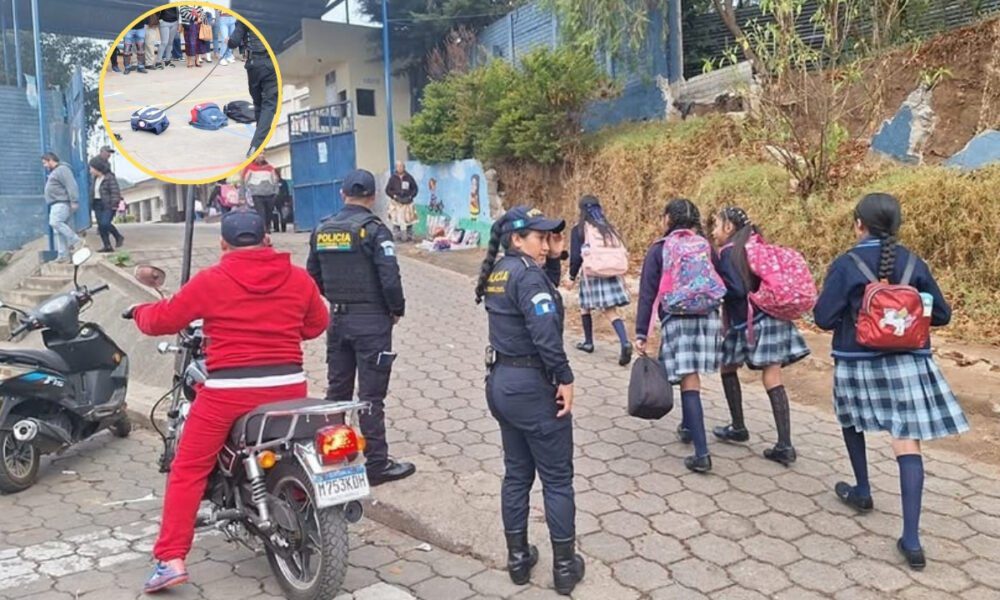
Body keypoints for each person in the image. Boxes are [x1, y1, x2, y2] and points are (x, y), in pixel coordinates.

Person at [129, 211, 328, 593]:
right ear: (267, 237)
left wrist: (139, 312)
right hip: (289, 387)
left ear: (223, 243)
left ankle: (170, 558)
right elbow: (316, 323)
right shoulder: (298, 278)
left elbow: (163, 319)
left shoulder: (211, 280)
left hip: (229, 391)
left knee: (188, 467)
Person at [814, 193, 968, 571]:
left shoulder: (847, 264)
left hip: (856, 361)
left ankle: (863, 490)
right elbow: (942, 314)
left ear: (859, 224)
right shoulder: (914, 262)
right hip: (908, 363)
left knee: (851, 419)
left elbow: (823, 317)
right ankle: (911, 540)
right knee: (906, 440)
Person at [474, 206, 585, 596]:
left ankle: (518, 560)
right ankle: (565, 568)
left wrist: (552, 257)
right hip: (532, 387)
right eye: (540, 237)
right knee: (557, 479)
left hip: (503, 384)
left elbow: (543, 297)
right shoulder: (526, 275)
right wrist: (565, 378)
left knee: (517, 474)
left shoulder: (502, 270)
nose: (546, 243)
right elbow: (545, 334)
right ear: (517, 239)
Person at [306, 169, 416, 487]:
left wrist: (337, 299)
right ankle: (377, 464)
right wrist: (395, 309)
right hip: (372, 322)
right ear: (373, 196)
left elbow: (313, 275)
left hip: (338, 320)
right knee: (370, 396)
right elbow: (389, 277)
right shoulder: (375, 231)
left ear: (343, 194)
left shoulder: (322, 229)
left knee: (337, 391)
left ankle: (334, 455)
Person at [710, 206, 810, 465]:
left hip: (748, 322)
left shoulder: (729, 252)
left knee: (728, 367)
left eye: (716, 225)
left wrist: (714, 286)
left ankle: (739, 426)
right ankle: (784, 443)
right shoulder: (756, 246)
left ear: (729, 227)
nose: (714, 231)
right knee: (770, 375)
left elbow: (736, 289)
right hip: (773, 317)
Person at [635, 198, 723, 473]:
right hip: (708, 317)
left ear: (668, 220)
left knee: (688, 379)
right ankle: (687, 427)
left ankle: (702, 454)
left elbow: (648, 293)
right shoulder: (705, 246)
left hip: (678, 318)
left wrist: (641, 332)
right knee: (690, 375)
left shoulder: (660, 248)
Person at [565, 195, 632, 366]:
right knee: (610, 310)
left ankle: (589, 342)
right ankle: (624, 341)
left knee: (585, 307)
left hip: (592, 274)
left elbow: (576, 258)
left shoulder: (579, 229)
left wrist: (571, 277)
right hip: (612, 272)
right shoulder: (608, 228)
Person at [228, 18, 278, 157]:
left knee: (259, 104)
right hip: (271, 63)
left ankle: (258, 144)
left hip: (254, 64)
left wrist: (228, 41)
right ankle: (257, 146)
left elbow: (234, 42)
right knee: (268, 105)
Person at [41, 152, 83, 263]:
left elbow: (71, 185)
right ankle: (63, 255)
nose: (44, 166)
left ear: (50, 160)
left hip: (61, 202)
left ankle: (76, 241)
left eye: (45, 163)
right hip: (56, 203)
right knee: (59, 231)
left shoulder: (62, 170)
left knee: (55, 222)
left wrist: (74, 200)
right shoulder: (56, 171)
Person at [88, 157, 125, 253]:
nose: (90, 170)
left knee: (105, 223)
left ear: (97, 168)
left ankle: (118, 236)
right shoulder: (95, 178)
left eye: (91, 168)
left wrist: (114, 204)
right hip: (97, 203)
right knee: (101, 226)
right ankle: (107, 245)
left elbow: (115, 191)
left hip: (108, 204)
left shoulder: (109, 178)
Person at [242, 154, 279, 233]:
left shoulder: (270, 167)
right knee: (261, 212)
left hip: (270, 193)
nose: (262, 156)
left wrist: (275, 192)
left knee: (269, 212)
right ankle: (263, 228)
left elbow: (275, 180)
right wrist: (248, 191)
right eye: (260, 154)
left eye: (263, 154)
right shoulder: (250, 167)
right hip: (257, 194)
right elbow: (245, 180)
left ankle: (267, 226)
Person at [384, 161, 419, 241]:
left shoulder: (409, 177)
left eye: (401, 166)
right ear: (396, 168)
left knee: (409, 220)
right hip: (396, 202)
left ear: (404, 167)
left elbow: (415, 189)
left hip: (407, 202)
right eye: (398, 166)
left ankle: (409, 236)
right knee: (396, 221)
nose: (400, 168)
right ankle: (397, 237)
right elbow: (387, 190)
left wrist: (411, 196)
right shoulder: (392, 178)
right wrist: (394, 196)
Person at [274, 168, 292, 233]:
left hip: (282, 200)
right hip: (274, 200)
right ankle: (276, 228)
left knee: (283, 214)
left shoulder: (283, 182)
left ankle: (283, 228)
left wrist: (287, 200)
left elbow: (286, 191)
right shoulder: (272, 182)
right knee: (275, 214)